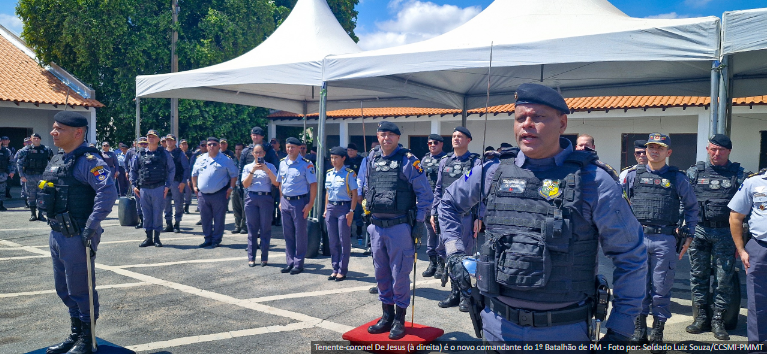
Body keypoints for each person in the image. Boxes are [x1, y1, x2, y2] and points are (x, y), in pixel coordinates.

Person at [439, 83, 646, 343]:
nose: (527, 124)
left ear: (562, 123)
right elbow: (447, 204)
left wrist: (621, 329)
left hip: (563, 331)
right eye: (520, 118)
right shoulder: (492, 171)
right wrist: (454, 252)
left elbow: (631, 255)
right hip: (497, 326)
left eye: (538, 117)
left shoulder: (594, 180)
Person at [42, 111, 117, 354]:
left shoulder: (89, 161)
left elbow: (107, 193)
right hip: (57, 232)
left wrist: (91, 226)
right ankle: (75, 334)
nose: (53, 132)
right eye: (54, 128)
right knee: (63, 288)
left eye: (59, 129)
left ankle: (88, 339)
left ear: (78, 132)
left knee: (80, 288)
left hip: (78, 234)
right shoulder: (58, 159)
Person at [623, 133, 698, 347]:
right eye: (651, 147)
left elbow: (692, 207)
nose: (655, 151)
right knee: (637, 288)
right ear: (645, 150)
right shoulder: (631, 176)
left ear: (668, 152)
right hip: (637, 240)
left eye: (660, 148)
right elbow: (620, 204)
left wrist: (689, 234)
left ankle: (657, 332)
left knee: (661, 288)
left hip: (664, 239)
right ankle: (639, 330)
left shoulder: (678, 178)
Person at [360, 121, 432, 340]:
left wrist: (419, 222)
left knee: (399, 274)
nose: (386, 138)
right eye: (383, 134)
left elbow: (425, 195)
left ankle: (399, 318)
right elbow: (364, 186)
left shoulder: (408, 161)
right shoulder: (370, 159)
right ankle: (386, 315)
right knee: (381, 272)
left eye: (391, 135)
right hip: (376, 227)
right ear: (378, 136)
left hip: (400, 226)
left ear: (398, 138)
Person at [685, 134, 748, 340]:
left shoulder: (739, 175)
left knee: (724, 278)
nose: (716, 153)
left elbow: (747, 206)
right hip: (701, 231)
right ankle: (701, 317)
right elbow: (684, 201)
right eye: (713, 149)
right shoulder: (694, 172)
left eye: (721, 150)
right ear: (707, 149)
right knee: (698, 276)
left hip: (726, 233)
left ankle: (718, 320)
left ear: (729, 151)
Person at [432, 127, 481, 311]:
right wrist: (434, 212)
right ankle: (454, 293)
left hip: (466, 217)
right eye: (453, 136)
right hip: (446, 217)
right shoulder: (444, 161)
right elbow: (438, 189)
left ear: (469, 140)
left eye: (460, 136)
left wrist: (479, 217)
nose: (456, 139)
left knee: (465, 255)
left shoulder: (475, 162)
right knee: (449, 253)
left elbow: (481, 192)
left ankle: (466, 296)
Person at [728, 168, 767, 345]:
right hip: (760, 248)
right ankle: (757, 345)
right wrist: (742, 250)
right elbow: (736, 217)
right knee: (757, 301)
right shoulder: (753, 183)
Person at [276, 137, 317, 274]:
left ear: (299, 148)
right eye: (288, 147)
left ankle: (299, 263)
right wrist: (281, 200)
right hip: (286, 201)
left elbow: (313, 185)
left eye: (292, 147)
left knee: (300, 233)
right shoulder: (282, 163)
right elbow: (280, 183)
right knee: (287, 234)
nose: (289, 149)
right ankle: (290, 262)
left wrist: (310, 204)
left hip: (299, 202)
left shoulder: (306, 164)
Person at [131, 130, 174, 248]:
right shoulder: (139, 154)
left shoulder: (164, 154)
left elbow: (171, 169)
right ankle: (148, 237)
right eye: (149, 136)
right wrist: (134, 186)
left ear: (158, 139)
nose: (150, 138)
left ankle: (157, 238)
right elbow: (133, 171)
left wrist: (167, 186)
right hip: (144, 189)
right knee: (146, 214)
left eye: (153, 137)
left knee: (158, 213)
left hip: (159, 187)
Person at [191, 137, 238, 248]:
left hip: (219, 194)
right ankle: (207, 238)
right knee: (205, 218)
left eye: (214, 144)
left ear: (219, 146)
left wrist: (231, 187)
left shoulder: (226, 159)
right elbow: (194, 174)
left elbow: (234, 175)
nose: (212, 146)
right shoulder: (200, 159)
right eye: (209, 144)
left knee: (219, 218)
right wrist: (194, 187)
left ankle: (216, 239)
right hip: (203, 194)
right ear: (206, 146)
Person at [323, 146, 358, 281]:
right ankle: (334, 268)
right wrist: (326, 209)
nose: (333, 160)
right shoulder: (329, 173)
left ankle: (342, 270)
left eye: (336, 158)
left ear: (343, 158)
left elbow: (354, 194)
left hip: (344, 208)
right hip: (331, 207)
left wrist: (351, 211)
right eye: (332, 158)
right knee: (332, 240)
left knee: (344, 240)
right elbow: (327, 192)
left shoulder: (349, 174)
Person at [242, 144, 278, 266]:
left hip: (266, 198)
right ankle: (251, 258)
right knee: (252, 229)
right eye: (256, 153)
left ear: (264, 154)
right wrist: (253, 171)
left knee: (265, 228)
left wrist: (266, 170)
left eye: (260, 152)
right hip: (252, 197)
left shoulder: (271, 166)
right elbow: (245, 185)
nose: (258, 155)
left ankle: (264, 258)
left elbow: (276, 183)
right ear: (253, 154)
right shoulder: (248, 167)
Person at [419, 134, 446, 278]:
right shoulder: (424, 160)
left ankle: (442, 264)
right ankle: (432, 262)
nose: (432, 145)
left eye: (435, 143)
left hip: (441, 202)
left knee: (440, 233)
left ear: (441, 144)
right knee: (430, 232)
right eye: (429, 143)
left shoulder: (446, 159)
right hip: (427, 202)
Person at [17, 133, 53, 220]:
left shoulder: (46, 150)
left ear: (40, 139)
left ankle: (41, 214)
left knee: (42, 195)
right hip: (29, 176)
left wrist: (50, 175)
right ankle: (33, 214)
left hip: (42, 176)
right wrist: (22, 176)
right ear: (31, 140)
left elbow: (52, 162)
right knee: (31, 195)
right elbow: (19, 163)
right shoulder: (25, 150)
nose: (36, 140)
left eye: (38, 138)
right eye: (34, 138)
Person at [163, 135, 190, 234]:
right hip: (165, 182)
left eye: (171, 140)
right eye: (168, 140)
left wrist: (183, 181)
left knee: (178, 204)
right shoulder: (162, 152)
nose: (169, 142)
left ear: (175, 142)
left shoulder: (180, 153)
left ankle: (177, 224)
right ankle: (168, 224)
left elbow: (186, 168)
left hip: (176, 182)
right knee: (166, 204)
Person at [125, 138, 146, 228]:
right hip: (137, 180)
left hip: (147, 181)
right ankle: (141, 220)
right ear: (137, 144)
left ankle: (148, 220)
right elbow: (126, 162)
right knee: (138, 202)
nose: (143, 145)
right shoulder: (132, 152)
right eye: (141, 144)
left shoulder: (151, 153)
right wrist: (127, 172)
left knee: (147, 202)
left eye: (145, 144)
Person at [346, 143, 365, 239]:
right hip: (346, 190)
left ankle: (359, 232)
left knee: (357, 212)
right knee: (347, 211)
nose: (350, 152)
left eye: (352, 150)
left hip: (357, 189)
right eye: (348, 150)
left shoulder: (361, 160)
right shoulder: (345, 159)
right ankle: (348, 232)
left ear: (356, 151)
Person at [231, 142, 247, 234]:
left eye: (240, 149)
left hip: (243, 187)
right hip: (234, 187)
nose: (238, 151)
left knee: (244, 208)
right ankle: (237, 226)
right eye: (236, 149)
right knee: (235, 207)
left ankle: (244, 226)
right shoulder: (232, 161)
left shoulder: (245, 161)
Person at [0, 138, 15, 211]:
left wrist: (12, 171)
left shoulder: (6, 151)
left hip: (3, 173)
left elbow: (11, 162)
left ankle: (1, 205)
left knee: (2, 191)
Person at [180, 139, 193, 213]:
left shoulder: (191, 154)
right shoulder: (178, 153)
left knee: (188, 191)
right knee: (180, 192)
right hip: (180, 175)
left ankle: (187, 206)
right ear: (180, 146)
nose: (184, 145)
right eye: (183, 144)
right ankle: (181, 207)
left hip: (188, 175)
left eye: (185, 144)